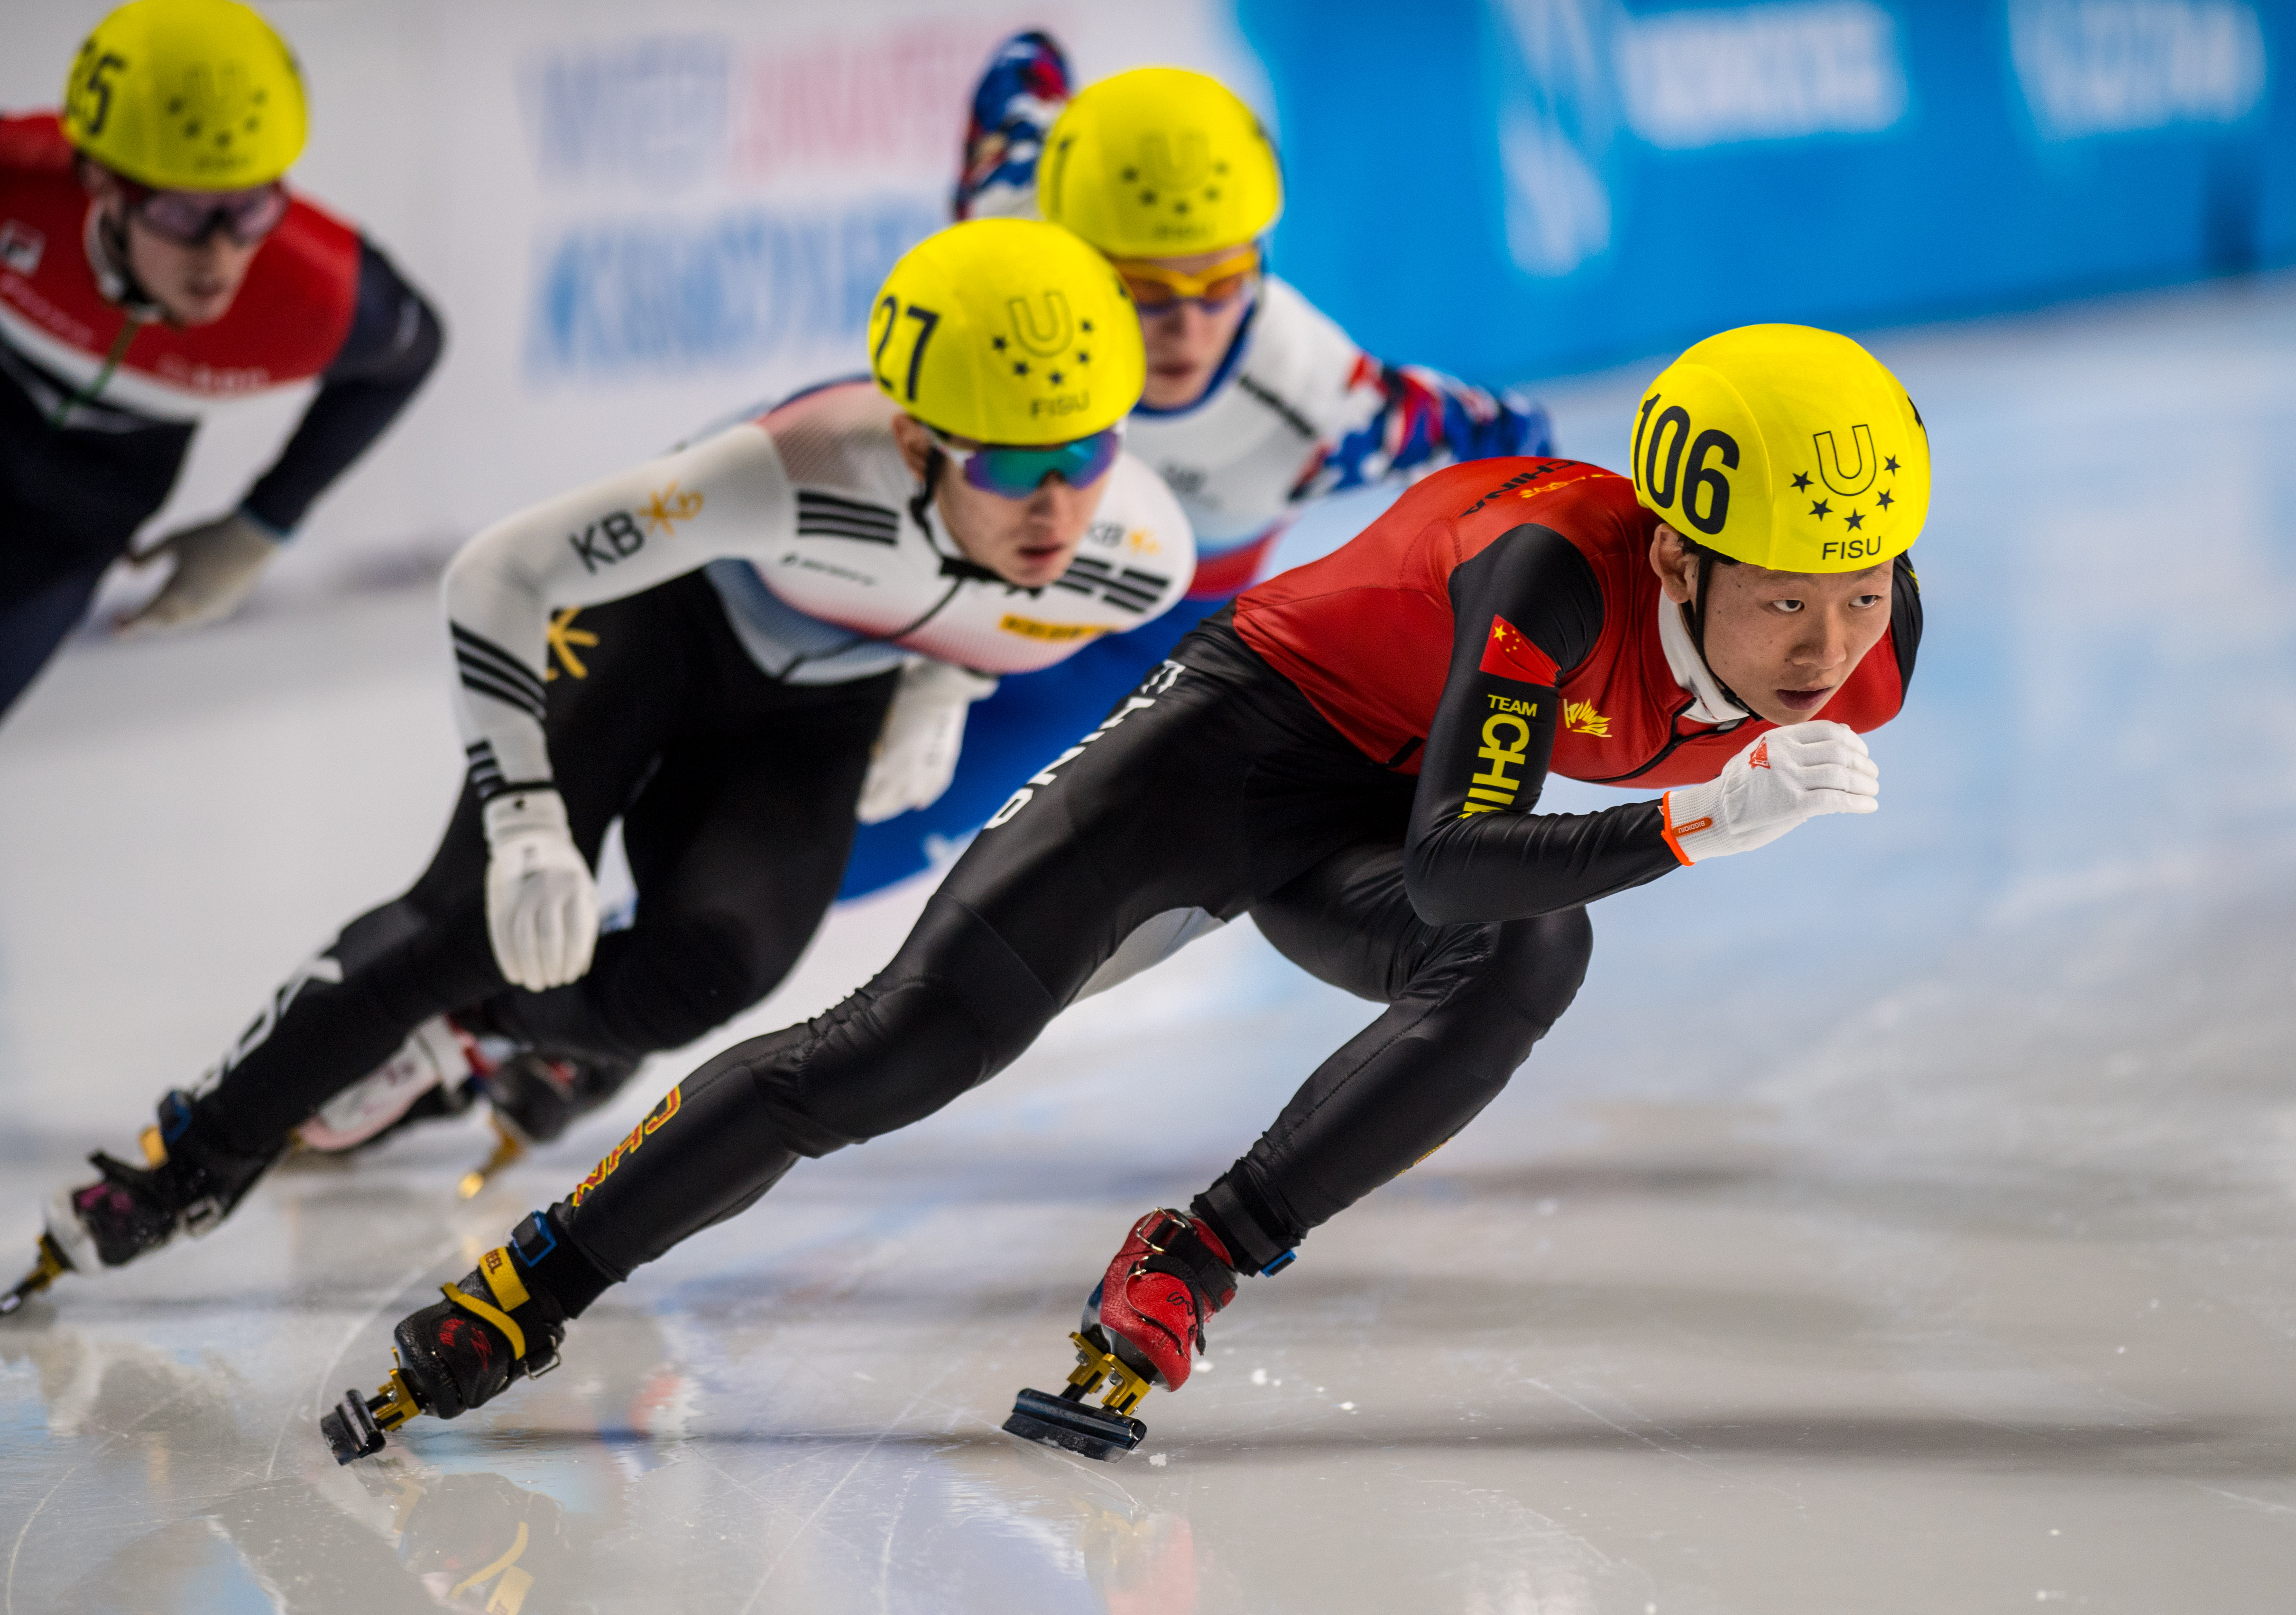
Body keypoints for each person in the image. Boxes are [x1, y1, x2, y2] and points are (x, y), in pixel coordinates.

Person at [322, 322, 1928, 1464]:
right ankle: (534, 1277)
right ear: (1675, 560)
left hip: (1370, 811)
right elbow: (1447, 854)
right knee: (896, 1051)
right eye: (1787, 602)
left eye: (1859, 598)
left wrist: (1701, 800)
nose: (1826, 648)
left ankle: (1191, 1259)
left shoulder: (1867, 651)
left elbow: (1460, 877)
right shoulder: (1555, 574)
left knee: (1529, 951)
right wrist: (1696, 825)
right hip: (1230, 748)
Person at [3, 217, 1191, 1312]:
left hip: (822, 696)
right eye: (1006, 469)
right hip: (658, 625)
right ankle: (187, 1160)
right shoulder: (787, 470)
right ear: (915, 441)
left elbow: (985, 597)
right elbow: (496, 574)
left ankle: (465, 1033)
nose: (1055, 504)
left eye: (1089, 453)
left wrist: (946, 678)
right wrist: (524, 823)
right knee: (462, 921)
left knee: (713, 972)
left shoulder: (1136, 554)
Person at [843, 43, 1554, 896]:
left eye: (1220, 282)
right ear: (1070, 253)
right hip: (960, 547)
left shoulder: (1328, 406)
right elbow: (1023, 66)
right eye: (1143, 292)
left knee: (880, 838)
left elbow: (1520, 443)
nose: (1184, 330)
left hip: (1131, 636)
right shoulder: (1011, 221)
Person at [0, 0, 443, 720]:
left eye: (248, 211)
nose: (220, 255)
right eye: (182, 214)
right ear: (103, 183)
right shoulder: (20, 179)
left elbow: (412, 356)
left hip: (69, 531)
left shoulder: (321, 292)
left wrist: (262, 526)